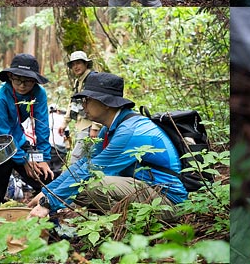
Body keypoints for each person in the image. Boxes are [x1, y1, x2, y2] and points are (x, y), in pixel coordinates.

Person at [27, 72, 186, 223]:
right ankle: (125, 226)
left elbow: (91, 171)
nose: (83, 105)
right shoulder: (110, 129)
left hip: (168, 202)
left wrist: (47, 204)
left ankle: (132, 228)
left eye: (87, 100)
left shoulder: (129, 131)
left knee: (90, 185)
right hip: (145, 191)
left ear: (107, 103)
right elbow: (84, 163)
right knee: (79, 187)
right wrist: (47, 192)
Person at [0, 53, 55, 215]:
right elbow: (3, 134)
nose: (22, 85)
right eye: (17, 79)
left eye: (27, 81)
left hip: (17, 138)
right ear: (10, 77)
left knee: (43, 176)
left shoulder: (38, 94)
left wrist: (44, 158)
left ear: (35, 80)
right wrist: (23, 160)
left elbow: (42, 127)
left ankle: (47, 216)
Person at [64, 50, 102, 164]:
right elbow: (73, 102)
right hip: (81, 125)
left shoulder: (92, 79)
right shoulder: (78, 81)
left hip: (89, 126)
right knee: (86, 160)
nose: (76, 67)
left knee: (75, 160)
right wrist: (65, 122)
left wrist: (95, 127)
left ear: (86, 64)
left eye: (78, 63)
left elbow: (98, 102)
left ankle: (73, 176)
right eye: (73, 64)